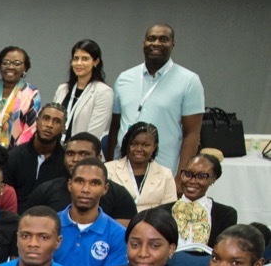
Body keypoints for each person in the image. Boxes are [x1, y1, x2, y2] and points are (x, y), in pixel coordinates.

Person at [108, 25, 204, 172]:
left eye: (163, 39)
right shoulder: (124, 78)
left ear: (173, 44)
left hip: (163, 169)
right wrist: (109, 166)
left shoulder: (189, 81)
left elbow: (192, 133)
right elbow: (115, 127)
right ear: (143, 43)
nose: (156, 43)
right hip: (122, 168)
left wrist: (181, 176)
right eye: (151, 39)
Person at [23, 132, 138, 222]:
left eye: (84, 154)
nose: (75, 159)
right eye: (70, 154)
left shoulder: (119, 195)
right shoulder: (46, 190)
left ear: (99, 157)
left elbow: (124, 237)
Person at [54, 158, 131, 266]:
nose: (85, 189)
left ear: (105, 189)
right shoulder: (49, 225)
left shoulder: (118, 235)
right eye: (79, 181)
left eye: (94, 183)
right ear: (69, 185)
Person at [166, 152, 237, 249]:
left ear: (213, 179)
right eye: (188, 174)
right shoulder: (162, 212)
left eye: (201, 176)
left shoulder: (226, 215)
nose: (192, 181)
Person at [4, 103, 67, 208]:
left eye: (56, 121)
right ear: (37, 122)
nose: (49, 125)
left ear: (63, 128)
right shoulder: (14, 157)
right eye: (46, 118)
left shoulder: (66, 161)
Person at [52, 39, 113, 144]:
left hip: (83, 154)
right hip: (55, 152)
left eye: (85, 59)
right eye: (75, 59)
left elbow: (93, 135)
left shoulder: (103, 92)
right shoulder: (62, 89)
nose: (79, 63)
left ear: (96, 62)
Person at [106, 122, 176, 211]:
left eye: (146, 145)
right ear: (127, 145)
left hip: (153, 223)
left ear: (154, 147)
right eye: (134, 144)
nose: (139, 149)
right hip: (117, 222)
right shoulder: (108, 170)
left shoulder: (166, 174)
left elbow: (169, 209)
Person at [0, 47, 40, 148]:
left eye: (17, 63)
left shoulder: (31, 93)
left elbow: (31, 129)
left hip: (17, 154)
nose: (10, 67)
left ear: (25, 67)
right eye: (5, 62)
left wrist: (17, 153)